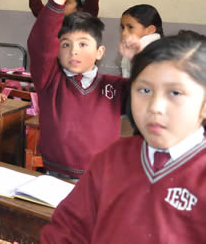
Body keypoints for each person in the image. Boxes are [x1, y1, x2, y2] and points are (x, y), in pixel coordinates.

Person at [42, 34, 206, 242]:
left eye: (175, 93)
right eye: (144, 90)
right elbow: (68, 229)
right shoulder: (112, 158)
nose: (155, 107)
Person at [27, 0, 130, 180]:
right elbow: (40, 43)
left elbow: (150, 90)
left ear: (100, 52)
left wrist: (140, 57)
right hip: (56, 176)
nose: (73, 50)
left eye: (83, 44)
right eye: (65, 44)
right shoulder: (50, 81)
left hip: (101, 177)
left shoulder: (115, 86)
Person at [119, 4, 163, 78]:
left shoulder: (158, 52)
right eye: (123, 27)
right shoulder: (130, 49)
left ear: (150, 30)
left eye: (130, 27)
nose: (124, 33)